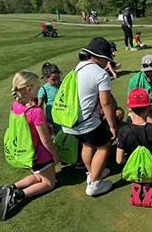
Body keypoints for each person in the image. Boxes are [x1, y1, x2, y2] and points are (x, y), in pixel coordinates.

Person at [0, 71, 59, 221]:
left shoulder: (15, 105)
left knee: (37, 175)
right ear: (29, 89)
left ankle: (10, 187)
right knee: (49, 183)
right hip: (39, 154)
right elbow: (45, 140)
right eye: (37, 86)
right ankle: (18, 194)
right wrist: (55, 156)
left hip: (24, 152)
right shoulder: (35, 111)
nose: (40, 88)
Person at [62, 37, 118, 196]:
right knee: (105, 145)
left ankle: (91, 174)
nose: (107, 62)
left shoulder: (77, 67)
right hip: (85, 121)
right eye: (106, 58)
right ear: (98, 56)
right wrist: (113, 126)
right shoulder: (101, 74)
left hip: (70, 121)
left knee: (88, 145)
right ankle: (94, 185)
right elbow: (106, 103)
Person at [117, 88, 152, 206]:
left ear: (129, 108)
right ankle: (150, 183)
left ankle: (138, 181)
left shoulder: (124, 131)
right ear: (149, 108)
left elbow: (119, 160)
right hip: (151, 169)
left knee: (136, 171)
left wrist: (129, 161)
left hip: (133, 169)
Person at [38, 62, 62, 134]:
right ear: (46, 78)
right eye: (53, 79)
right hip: (52, 121)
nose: (57, 81)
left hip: (64, 117)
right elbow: (39, 107)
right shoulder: (44, 89)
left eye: (58, 78)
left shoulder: (63, 84)